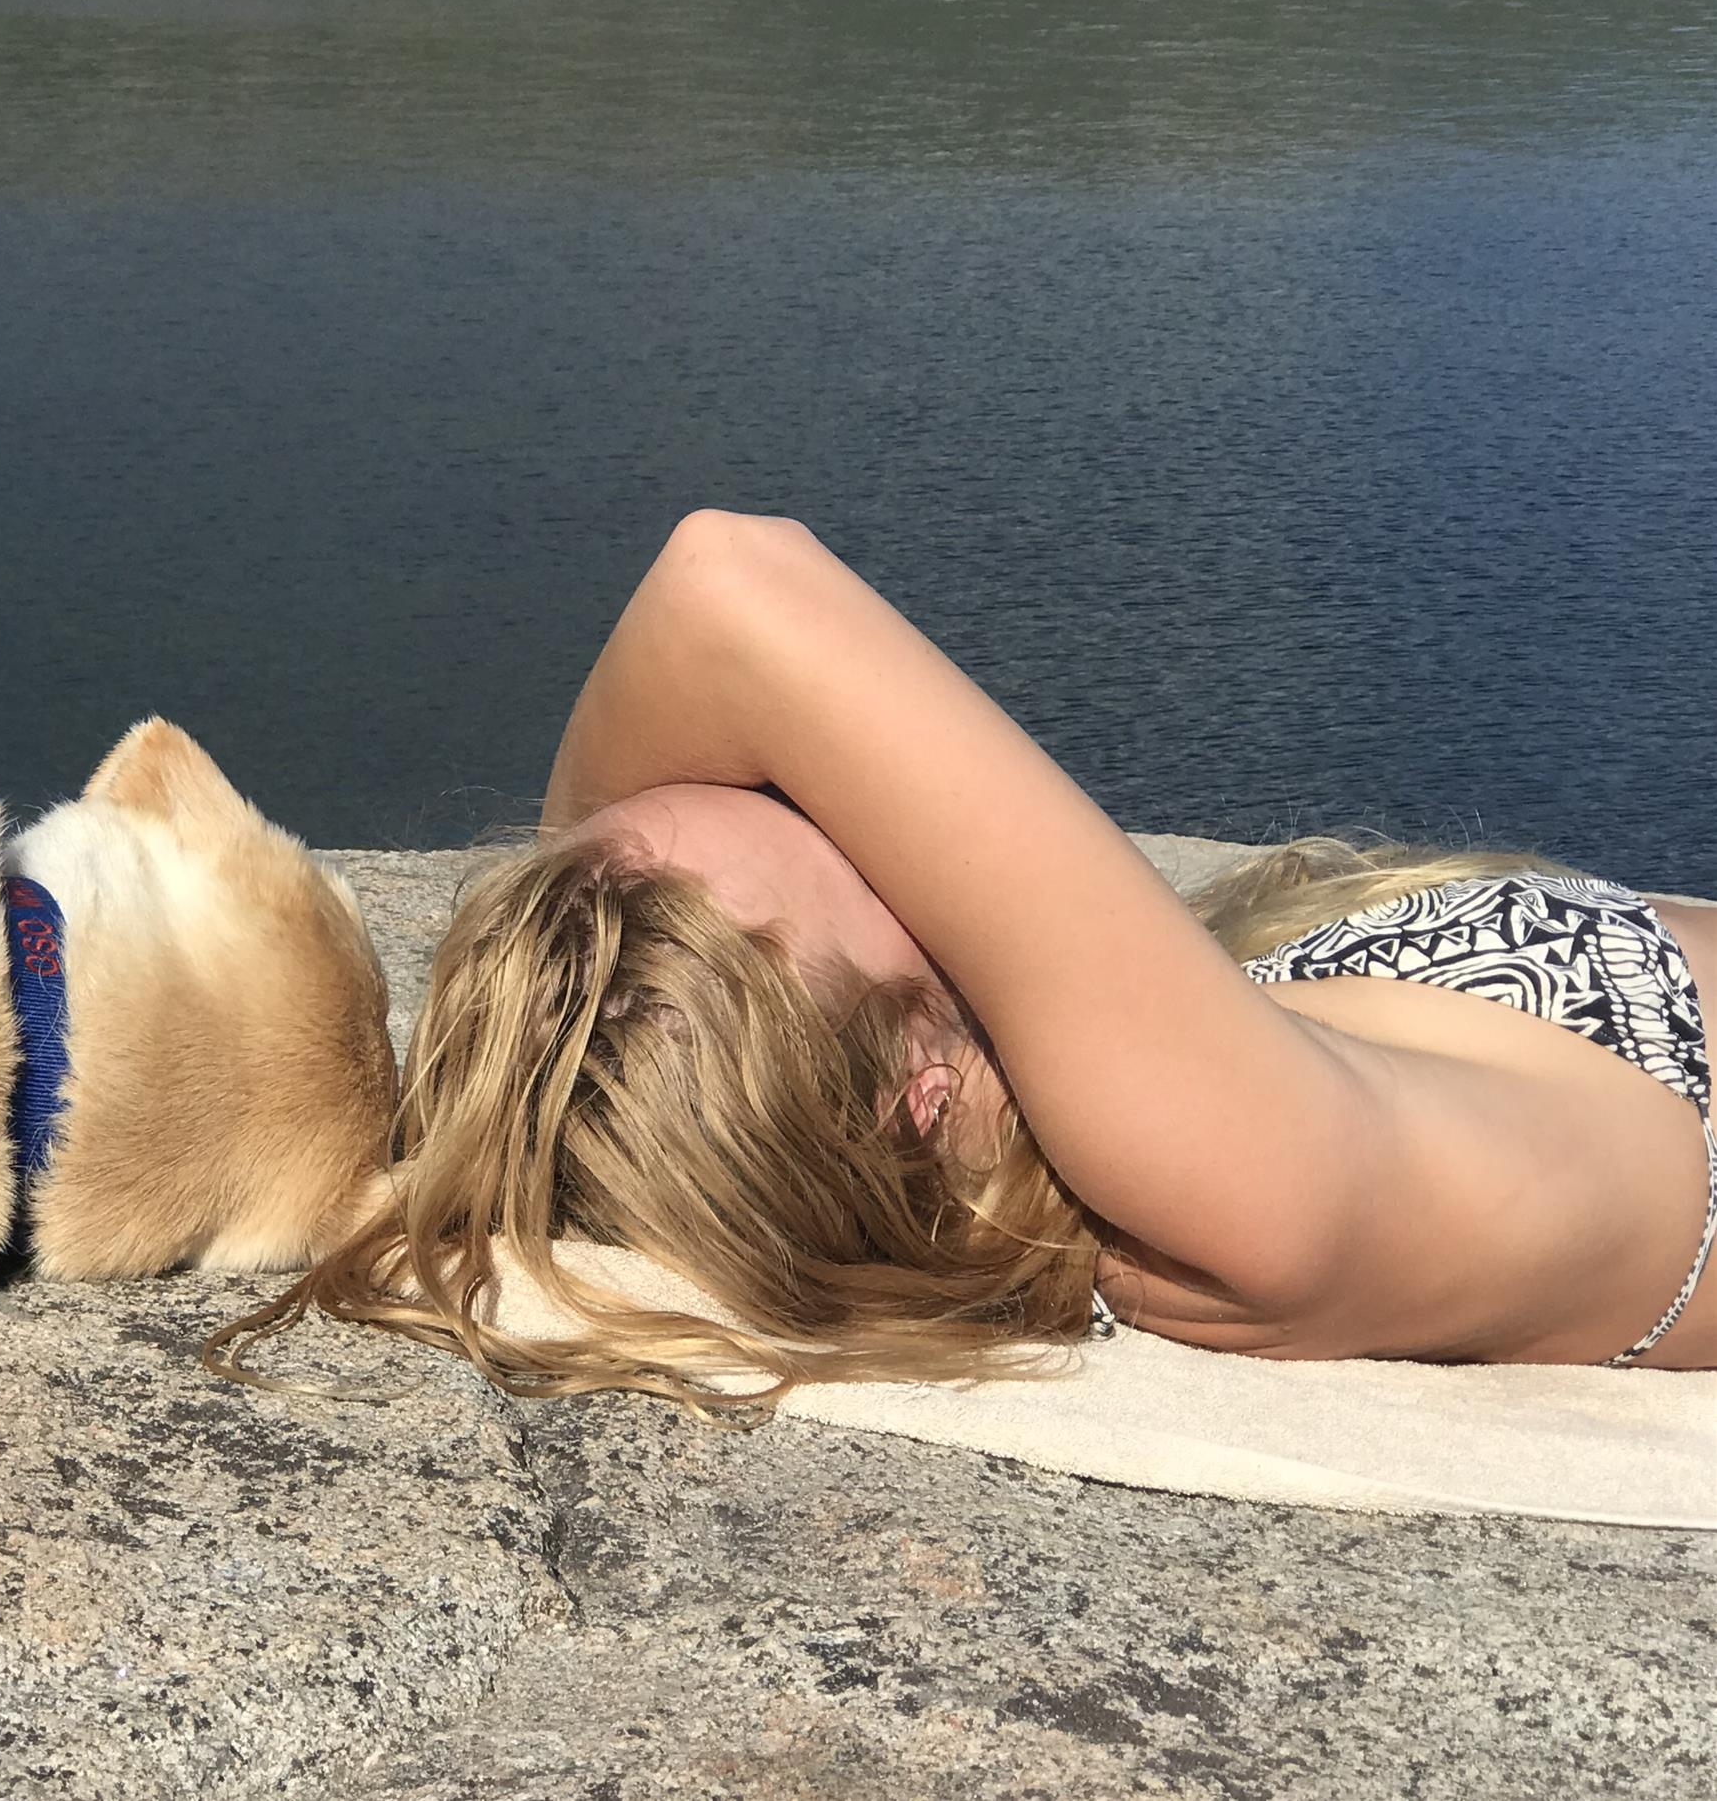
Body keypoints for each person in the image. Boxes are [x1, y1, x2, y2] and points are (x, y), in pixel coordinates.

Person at [212, 511, 1717, 1416]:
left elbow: (637, 921)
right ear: (919, 1091)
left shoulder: (1043, 1150)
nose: (828, 797)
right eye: (826, 841)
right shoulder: (1197, 1164)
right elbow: (723, 587)